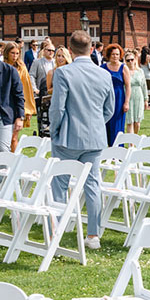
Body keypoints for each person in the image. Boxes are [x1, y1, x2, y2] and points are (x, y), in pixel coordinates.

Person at [48, 30, 115, 251]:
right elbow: (109, 110)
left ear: (70, 48)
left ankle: (58, 227)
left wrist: (55, 130)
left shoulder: (63, 73)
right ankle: (93, 234)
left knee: (60, 182)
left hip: (67, 137)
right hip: (95, 137)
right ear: (91, 48)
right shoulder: (104, 74)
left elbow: (57, 107)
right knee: (93, 185)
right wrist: (95, 124)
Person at [2, 40, 36, 150]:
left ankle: (14, 159)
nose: (15, 56)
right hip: (3, 105)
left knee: (13, 137)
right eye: (12, 53)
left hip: (17, 105)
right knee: (3, 138)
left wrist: (28, 109)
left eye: (17, 53)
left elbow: (27, 88)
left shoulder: (21, 67)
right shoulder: (1, 67)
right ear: (7, 53)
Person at [38, 46, 72, 137]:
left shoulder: (72, 71)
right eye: (58, 56)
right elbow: (48, 90)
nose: (60, 58)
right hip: (56, 101)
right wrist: (59, 86)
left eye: (63, 56)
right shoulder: (51, 72)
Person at [101, 43, 131, 146]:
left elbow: (128, 86)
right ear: (109, 55)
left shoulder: (123, 68)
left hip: (119, 98)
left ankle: (118, 150)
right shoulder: (103, 67)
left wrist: (126, 102)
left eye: (117, 54)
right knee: (106, 123)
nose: (115, 56)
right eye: (113, 54)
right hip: (106, 98)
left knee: (117, 125)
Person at [126, 52, 148, 134]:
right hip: (129, 96)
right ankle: (130, 144)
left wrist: (146, 99)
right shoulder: (124, 71)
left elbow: (144, 85)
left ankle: (135, 139)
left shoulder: (140, 71)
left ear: (135, 60)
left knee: (137, 122)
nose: (130, 62)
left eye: (132, 59)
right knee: (130, 121)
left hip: (139, 96)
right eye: (128, 60)